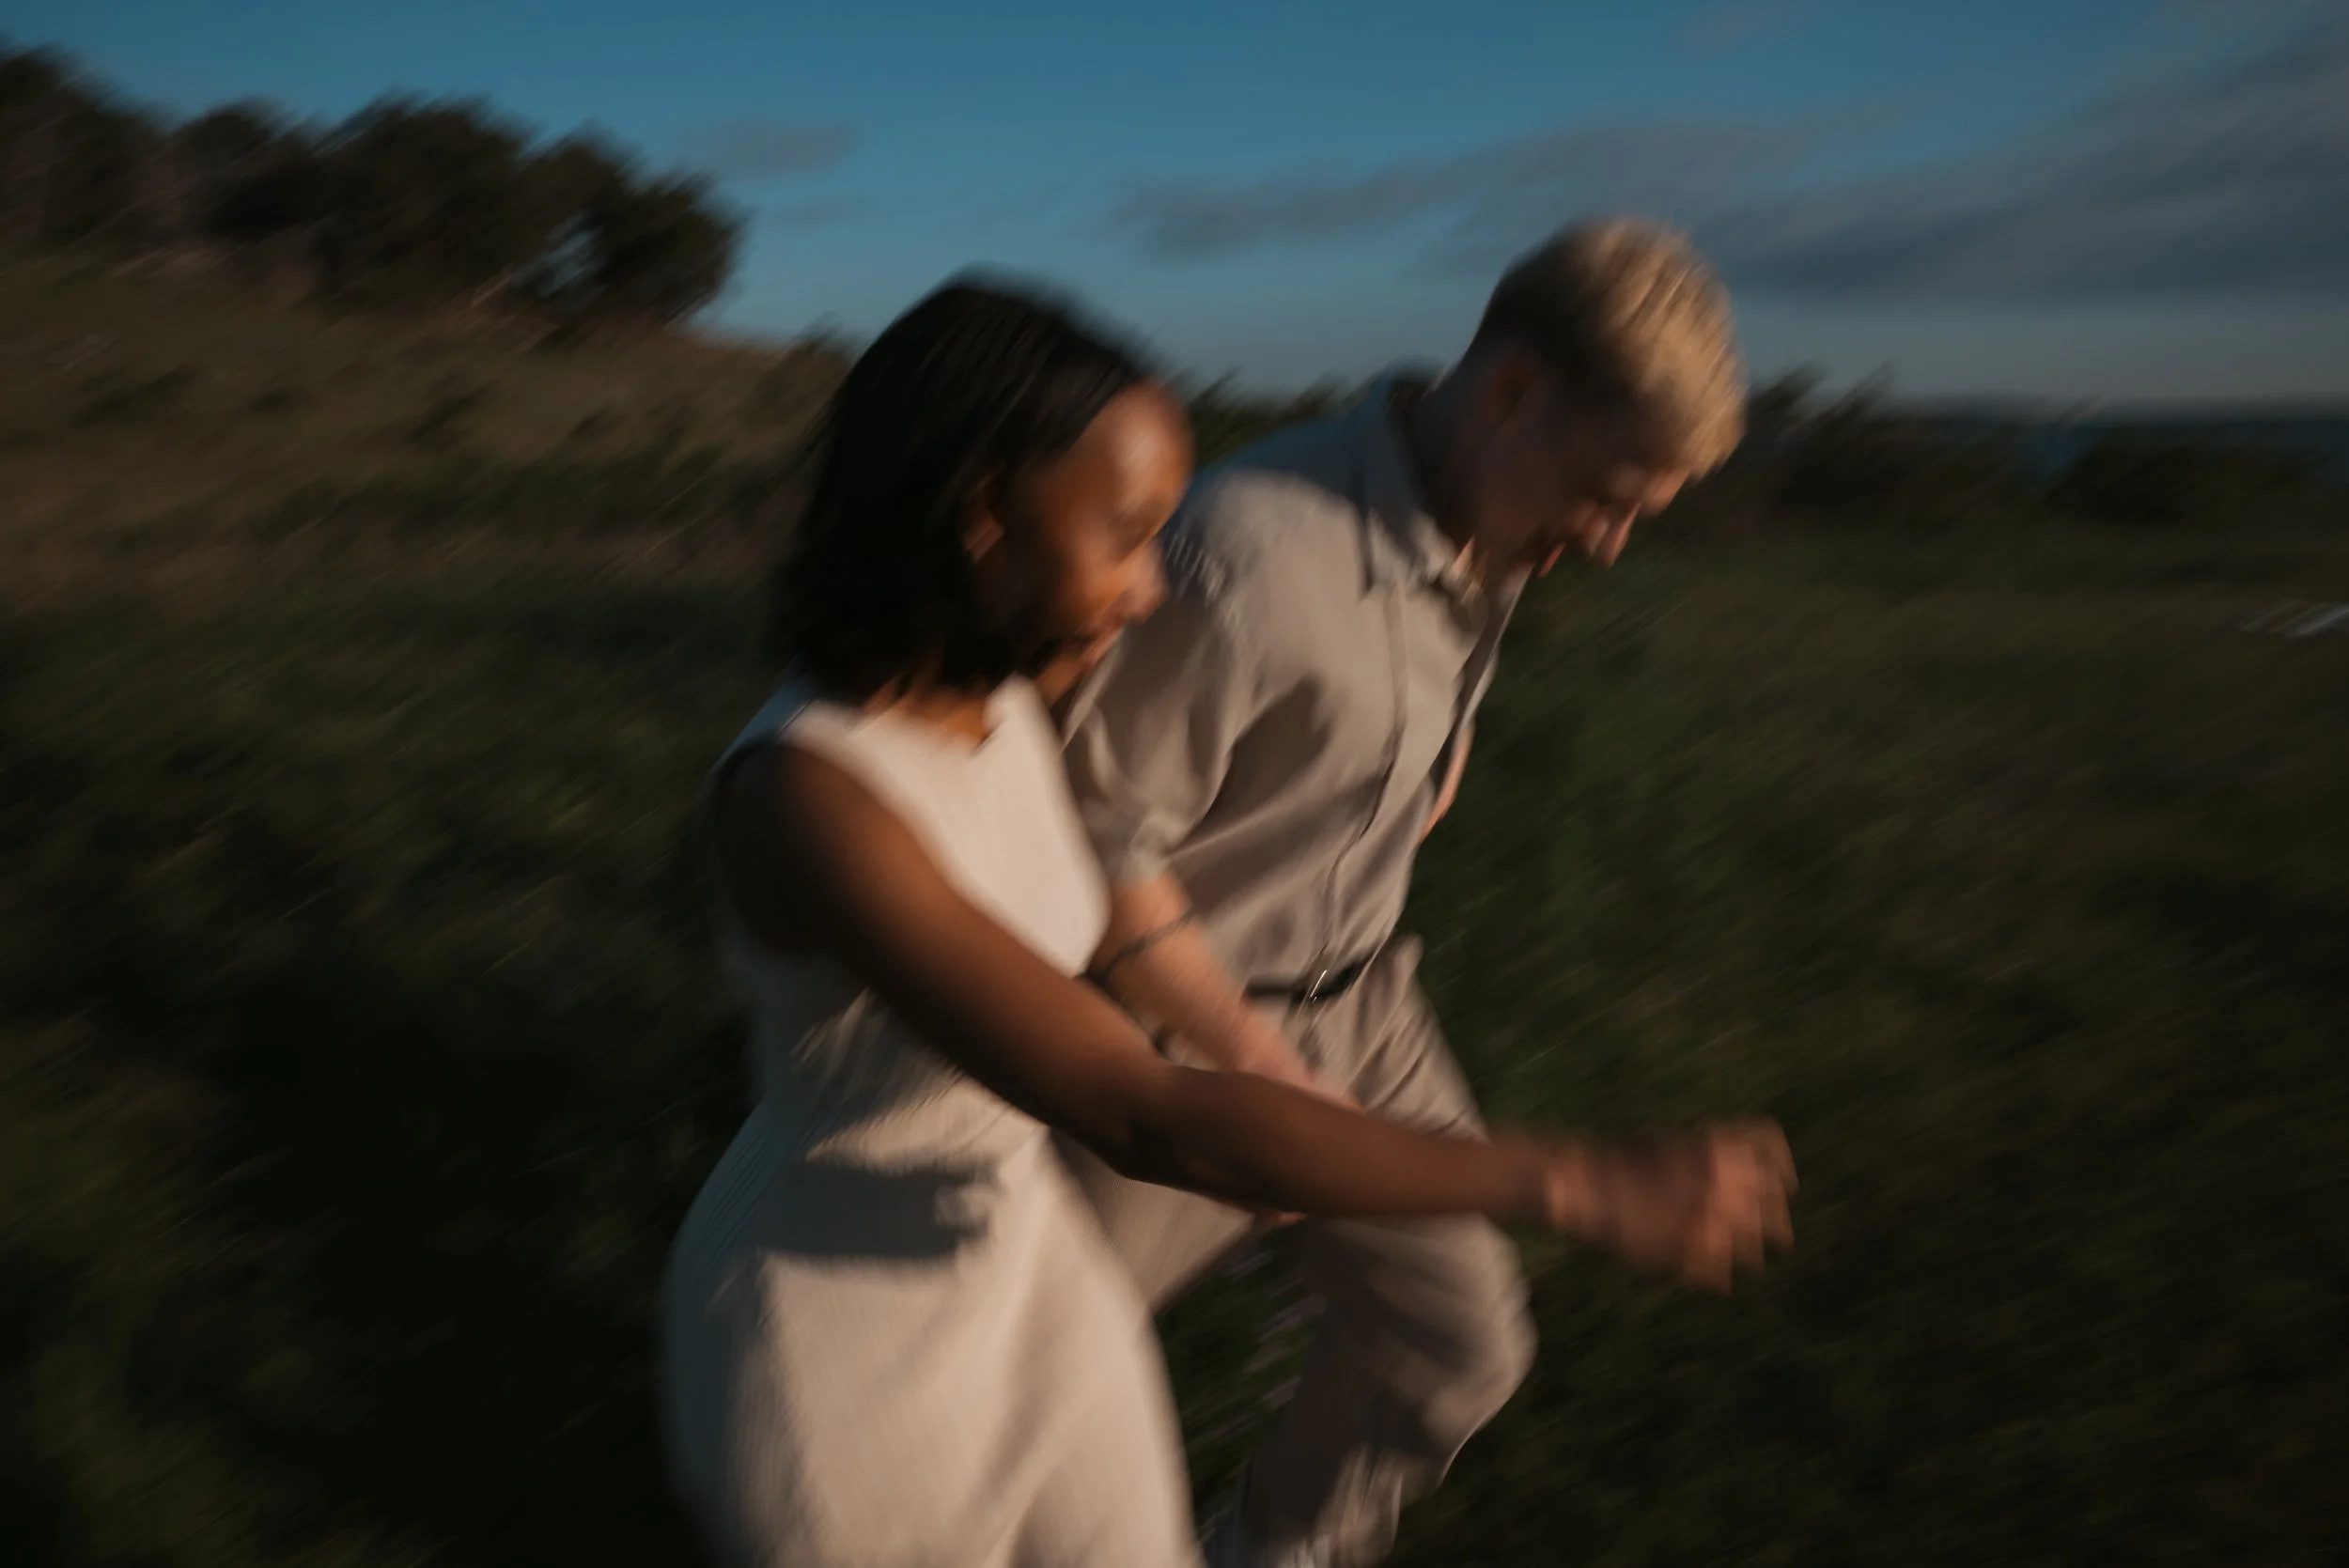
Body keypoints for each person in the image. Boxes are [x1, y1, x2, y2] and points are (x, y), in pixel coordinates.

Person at [659, 275, 1791, 1568]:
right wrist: (1572, 1181)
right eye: (1130, 535)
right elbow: (1150, 1113)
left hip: (1022, 1271)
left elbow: (1269, 737)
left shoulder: (1005, 697)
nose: (1158, 584)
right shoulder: (808, 799)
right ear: (985, 520)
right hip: (848, 1345)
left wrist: (1416, 758)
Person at [1059, 217, 1760, 1567]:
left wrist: (1426, 755)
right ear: (1510, 390)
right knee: (1017, 1422)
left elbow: (1400, 686)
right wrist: (1257, 1068)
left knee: (1454, 1350)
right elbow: (1096, 849)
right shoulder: (1246, 555)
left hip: (1369, 1011)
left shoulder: (1487, 522)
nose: (1609, 544)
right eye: (1606, 495)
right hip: (1168, 1059)